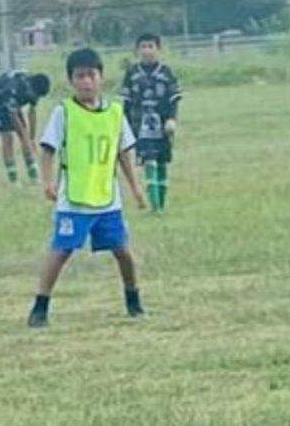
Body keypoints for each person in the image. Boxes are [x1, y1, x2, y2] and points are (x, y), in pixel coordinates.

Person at [28, 46, 150, 329]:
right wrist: (48, 182)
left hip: (107, 199)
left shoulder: (115, 113)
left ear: (101, 78)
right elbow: (47, 150)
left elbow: (123, 154)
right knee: (60, 252)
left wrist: (135, 188)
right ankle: (39, 308)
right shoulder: (64, 113)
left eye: (90, 75)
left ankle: (134, 301)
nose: (86, 82)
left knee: (123, 252)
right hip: (74, 200)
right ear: (71, 81)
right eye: (79, 76)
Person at [119, 32, 183, 211]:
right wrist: (125, 126)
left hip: (162, 125)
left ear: (158, 49)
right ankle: (155, 206)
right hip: (140, 126)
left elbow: (173, 99)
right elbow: (126, 102)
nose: (147, 51)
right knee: (149, 161)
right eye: (143, 47)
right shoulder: (132, 74)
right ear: (137, 51)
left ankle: (162, 204)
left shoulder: (166, 73)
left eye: (150, 46)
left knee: (162, 162)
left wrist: (171, 119)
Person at [0, 68, 51, 183]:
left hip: (13, 102)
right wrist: (25, 137)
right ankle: (13, 178)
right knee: (8, 137)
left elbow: (32, 112)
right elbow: (13, 116)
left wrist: (31, 137)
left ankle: (33, 175)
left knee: (25, 136)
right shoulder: (13, 88)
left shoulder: (34, 87)